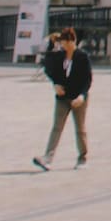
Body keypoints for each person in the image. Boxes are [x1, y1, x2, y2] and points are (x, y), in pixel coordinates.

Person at [34, 27, 91, 171]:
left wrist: (82, 95)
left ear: (72, 41)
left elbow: (87, 79)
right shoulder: (60, 56)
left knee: (80, 129)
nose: (63, 46)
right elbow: (49, 69)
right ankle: (48, 157)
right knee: (56, 127)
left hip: (78, 97)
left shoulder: (82, 57)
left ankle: (82, 157)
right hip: (62, 97)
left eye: (65, 42)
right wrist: (55, 84)